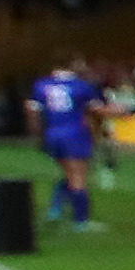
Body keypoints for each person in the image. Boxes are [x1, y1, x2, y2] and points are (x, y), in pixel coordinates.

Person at [31, 56, 101, 226]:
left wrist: (38, 135)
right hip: (75, 133)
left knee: (68, 172)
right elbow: (94, 110)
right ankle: (81, 220)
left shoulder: (42, 85)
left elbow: (32, 110)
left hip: (53, 133)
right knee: (78, 176)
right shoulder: (81, 86)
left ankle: (56, 208)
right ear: (73, 64)